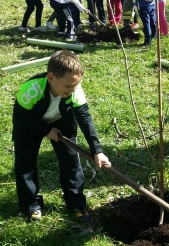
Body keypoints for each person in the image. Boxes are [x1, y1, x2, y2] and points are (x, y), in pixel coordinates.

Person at [12, 50, 111, 222]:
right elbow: (22, 118)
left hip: (62, 121)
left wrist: (97, 150)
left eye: (75, 85)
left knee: (71, 162)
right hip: (29, 124)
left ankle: (76, 204)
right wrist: (46, 130)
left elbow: (85, 119)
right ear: (51, 78)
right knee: (25, 164)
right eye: (68, 86)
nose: (72, 90)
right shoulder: (31, 89)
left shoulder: (74, 91)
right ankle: (31, 206)